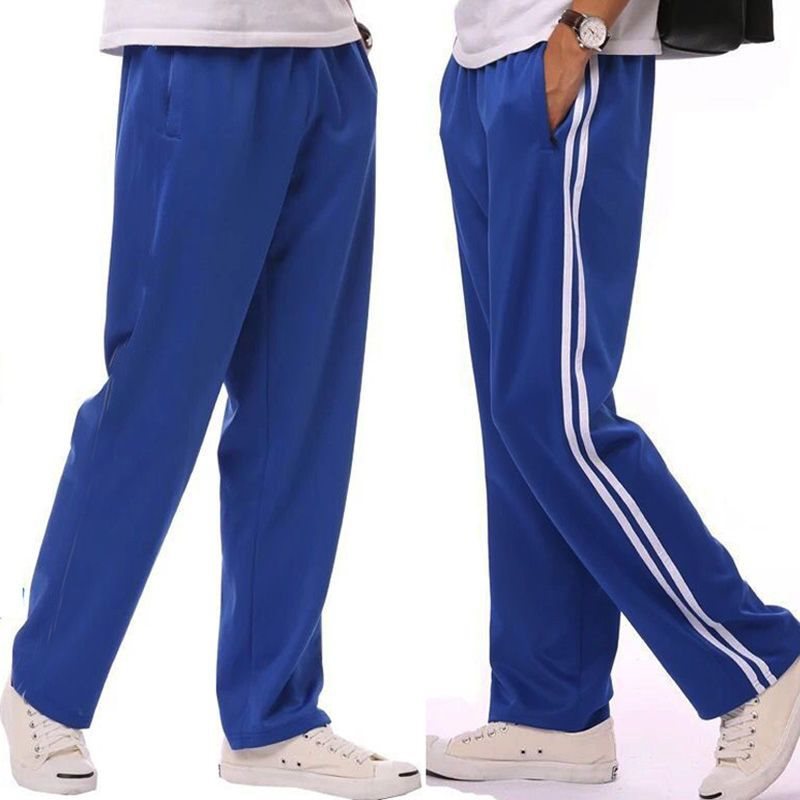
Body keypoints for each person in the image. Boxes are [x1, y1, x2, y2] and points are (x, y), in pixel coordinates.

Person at [0, 2, 420, 798]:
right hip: (197, 47)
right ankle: (43, 689)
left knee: (301, 409)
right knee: (157, 391)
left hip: (327, 54)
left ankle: (273, 718)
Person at [426, 2, 800, 799]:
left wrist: (581, 31)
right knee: (515, 417)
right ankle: (552, 709)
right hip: (480, 59)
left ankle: (759, 657)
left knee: (552, 413)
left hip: (565, 50)